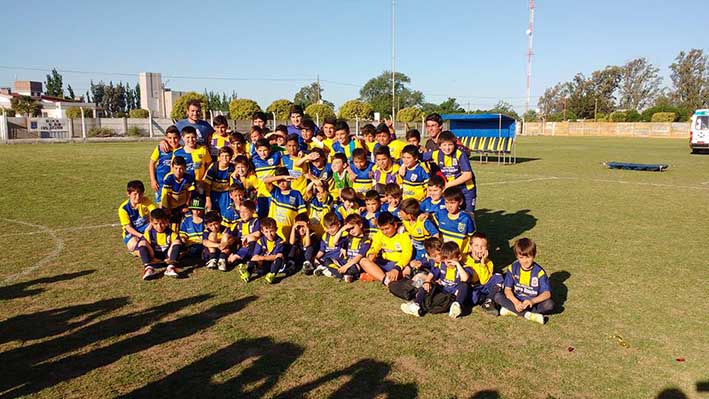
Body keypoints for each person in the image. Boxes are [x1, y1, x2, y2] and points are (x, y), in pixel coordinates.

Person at [400, 241, 471, 319]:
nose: (448, 262)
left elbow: (465, 279)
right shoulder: (439, 263)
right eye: (445, 259)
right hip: (439, 288)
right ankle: (415, 303)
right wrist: (427, 281)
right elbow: (432, 273)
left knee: (464, 285)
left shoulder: (463, 268)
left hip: (452, 294)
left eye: (439, 255)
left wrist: (457, 264)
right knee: (422, 280)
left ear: (459, 257)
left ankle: (457, 306)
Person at [494, 238, 554, 324]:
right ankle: (528, 315)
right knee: (498, 296)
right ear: (516, 256)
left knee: (549, 305)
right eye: (521, 257)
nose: (525, 261)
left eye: (528, 257)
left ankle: (512, 311)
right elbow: (507, 289)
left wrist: (532, 301)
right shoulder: (512, 268)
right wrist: (516, 302)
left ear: (534, 255)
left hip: (531, 303)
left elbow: (547, 294)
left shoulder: (539, 272)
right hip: (515, 300)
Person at [423, 131, 477, 213]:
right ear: (439, 146)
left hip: (466, 190)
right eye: (444, 145)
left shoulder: (460, 154)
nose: (447, 148)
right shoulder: (436, 154)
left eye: (450, 145)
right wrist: (404, 166)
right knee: (451, 213)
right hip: (452, 189)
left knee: (468, 215)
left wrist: (448, 185)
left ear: (454, 145)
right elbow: (415, 156)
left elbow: (467, 175)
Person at [359, 212, 412, 285]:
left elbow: (407, 254)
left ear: (395, 225)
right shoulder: (380, 234)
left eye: (387, 228)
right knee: (363, 261)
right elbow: (374, 247)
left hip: (398, 264)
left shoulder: (403, 235)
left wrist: (397, 268)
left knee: (407, 270)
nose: (385, 232)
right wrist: (371, 254)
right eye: (382, 229)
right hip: (384, 262)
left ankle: (377, 276)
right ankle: (386, 280)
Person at [259, 167, 307, 240]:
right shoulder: (275, 191)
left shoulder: (296, 194)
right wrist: (283, 177)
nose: (282, 183)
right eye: (279, 181)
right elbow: (265, 181)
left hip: (288, 234)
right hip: (272, 233)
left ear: (289, 179)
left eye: (284, 180)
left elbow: (301, 214)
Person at [137, 208, 183, 280]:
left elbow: (180, 247)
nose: (159, 226)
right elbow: (141, 247)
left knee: (177, 241)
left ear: (166, 222)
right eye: (156, 224)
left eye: (162, 223)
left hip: (168, 259)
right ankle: (148, 268)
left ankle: (171, 267)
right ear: (151, 222)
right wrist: (151, 258)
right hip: (154, 260)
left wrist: (170, 258)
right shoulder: (149, 233)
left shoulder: (170, 233)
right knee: (142, 243)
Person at [238, 217, 285, 284]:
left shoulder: (280, 241)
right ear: (262, 231)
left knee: (279, 258)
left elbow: (277, 256)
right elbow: (255, 256)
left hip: (273, 264)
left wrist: (262, 257)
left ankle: (272, 275)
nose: (269, 234)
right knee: (255, 260)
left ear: (276, 229)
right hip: (263, 264)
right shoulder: (260, 241)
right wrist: (260, 259)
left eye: (271, 231)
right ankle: (247, 273)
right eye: (266, 232)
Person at [467, 232, 504, 316]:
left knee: (498, 277)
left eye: (483, 246)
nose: (479, 249)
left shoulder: (489, 263)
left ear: (487, 248)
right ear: (470, 247)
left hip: (485, 285)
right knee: (473, 298)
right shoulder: (465, 260)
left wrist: (482, 263)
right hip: (473, 287)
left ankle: (489, 300)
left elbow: (484, 281)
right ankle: (488, 299)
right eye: (476, 246)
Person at [432, 187, 476, 256]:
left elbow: (472, 237)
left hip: (461, 255)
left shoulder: (465, 218)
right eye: (447, 202)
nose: (449, 206)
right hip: (444, 255)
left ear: (460, 202)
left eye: (452, 203)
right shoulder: (441, 214)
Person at [118, 180, 156, 254]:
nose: (138, 197)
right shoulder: (123, 209)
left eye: (140, 194)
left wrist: (149, 227)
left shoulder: (146, 201)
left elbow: (155, 214)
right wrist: (141, 236)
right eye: (135, 194)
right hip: (132, 233)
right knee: (133, 245)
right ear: (128, 194)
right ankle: (136, 252)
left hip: (146, 229)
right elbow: (128, 227)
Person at [225, 199, 260, 269]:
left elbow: (258, 233)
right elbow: (235, 236)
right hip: (242, 246)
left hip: (253, 246)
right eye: (241, 212)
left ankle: (241, 258)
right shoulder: (239, 223)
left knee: (251, 238)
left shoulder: (256, 221)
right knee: (228, 238)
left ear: (253, 211)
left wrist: (247, 237)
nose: (242, 214)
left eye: (245, 212)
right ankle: (224, 258)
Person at [149, 125, 181, 203]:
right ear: (166, 138)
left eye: (175, 138)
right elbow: (151, 163)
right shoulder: (161, 148)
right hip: (161, 183)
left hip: (175, 183)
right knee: (161, 204)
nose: (173, 141)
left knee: (174, 204)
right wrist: (153, 180)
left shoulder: (182, 150)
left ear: (179, 138)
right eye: (170, 138)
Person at [252, 138, 283, 218]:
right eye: (260, 151)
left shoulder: (276, 155)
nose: (263, 153)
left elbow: (288, 150)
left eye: (265, 150)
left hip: (274, 194)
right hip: (262, 195)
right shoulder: (253, 160)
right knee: (262, 218)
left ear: (269, 149)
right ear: (256, 150)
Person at [160, 156, 195, 222]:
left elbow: (189, 192)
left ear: (185, 168)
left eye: (181, 168)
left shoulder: (188, 178)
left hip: (181, 204)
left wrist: (186, 205)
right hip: (168, 205)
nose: (178, 171)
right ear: (172, 168)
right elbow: (168, 194)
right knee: (169, 223)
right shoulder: (169, 178)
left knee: (181, 222)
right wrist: (168, 208)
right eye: (176, 168)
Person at [313, 212, 346, 276]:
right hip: (327, 258)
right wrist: (316, 257)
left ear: (339, 224)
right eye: (328, 228)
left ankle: (330, 271)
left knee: (328, 261)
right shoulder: (325, 236)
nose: (330, 230)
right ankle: (324, 269)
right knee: (317, 259)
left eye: (332, 228)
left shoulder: (344, 234)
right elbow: (322, 250)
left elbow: (345, 245)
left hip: (338, 260)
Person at [204, 146, 235, 213]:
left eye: (227, 156)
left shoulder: (232, 168)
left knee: (226, 212)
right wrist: (208, 198)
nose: (225, 158)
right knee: (212, 213)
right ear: (219, 157)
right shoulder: (214, 167)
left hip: (226, 194)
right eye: (222, 156)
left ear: (231, 157)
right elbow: (207, 184)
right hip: (213, 193)